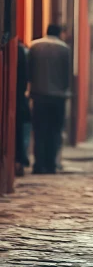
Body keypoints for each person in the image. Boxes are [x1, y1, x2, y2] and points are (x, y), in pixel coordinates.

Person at [29, 23, 71, 175]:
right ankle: (51, 164)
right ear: (59, 32)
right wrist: (65, 89)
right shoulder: (64, 48)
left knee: (39, 131)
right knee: (54, 131)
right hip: (57, 97)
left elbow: (29, 70)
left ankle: (38, 164)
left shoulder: (34, 46)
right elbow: (67, 74)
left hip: (39, 95)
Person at [15, 40, 30, 176]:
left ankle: (20, 160)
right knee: (22, 131)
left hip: (17, 98)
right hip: (19, 99)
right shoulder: (21, 52)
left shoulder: (19, 51)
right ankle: (20, 160)